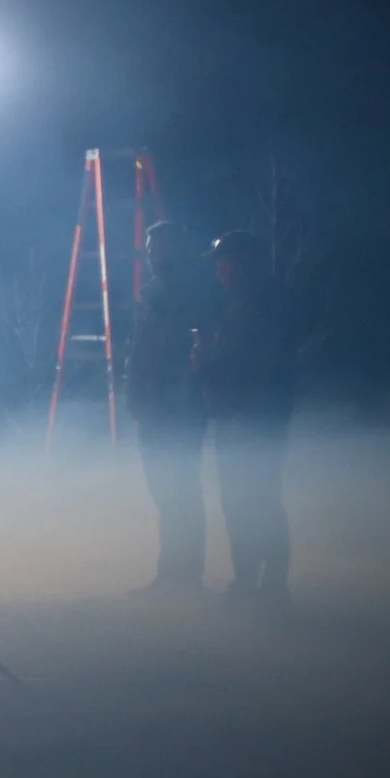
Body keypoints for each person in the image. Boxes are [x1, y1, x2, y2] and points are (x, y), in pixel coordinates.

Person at [197, 230, 298, 602]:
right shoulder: (246, 302)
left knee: (258, 501)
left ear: (239, 263)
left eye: (221, 261)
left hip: (252, 420)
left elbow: (256, 364)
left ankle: (268, 586)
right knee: (242, 501)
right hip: (241, 417)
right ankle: (249, 583)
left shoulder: (261, 304)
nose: (217, 269)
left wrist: (209, 363)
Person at [128, 221, 211, 593]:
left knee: (180, 492)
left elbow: (175, 355)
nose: (151, 253)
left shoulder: (182, 293)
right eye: (149, 247)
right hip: (155, 408)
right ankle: (173, 573)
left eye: (156, 246)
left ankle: (184, 575)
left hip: (175, 411)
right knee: (167, 493)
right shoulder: (154, 294)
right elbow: (143, 354)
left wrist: (164, 399)